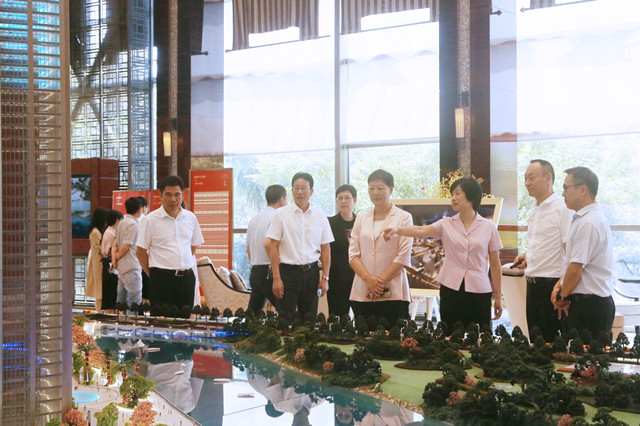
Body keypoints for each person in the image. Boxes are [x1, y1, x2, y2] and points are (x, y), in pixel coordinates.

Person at [384, 177, 503, 329]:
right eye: (452, 194)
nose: (453, 198)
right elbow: (421, 230)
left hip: (479, 288)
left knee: (481, 333)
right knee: (449, 332)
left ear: (471, 196)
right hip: (451, 287)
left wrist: (498, 296)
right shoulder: (446, 223)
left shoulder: (489, 227)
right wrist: (397, 230)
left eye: (458, 193)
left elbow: (495, 265)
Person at [551, 167, 615, 340]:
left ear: (582, 189)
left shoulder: (589, 222)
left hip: (591, 306)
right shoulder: (584, 219)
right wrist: (560, 285)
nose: (562, 193)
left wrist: (562, 296)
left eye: (566, 187)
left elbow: (576, 269)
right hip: (586, 303)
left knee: (589, 356)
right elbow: (572, 264)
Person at [512, 159, 572, 342]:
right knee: (535, 341)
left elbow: (570, 252)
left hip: (552, 285)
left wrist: (562, 288)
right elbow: (544, 243)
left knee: (552, 344)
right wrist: (527, 257)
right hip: (532, 284)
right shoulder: (535, 209)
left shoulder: (563, 208)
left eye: (531, 178)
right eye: (525, 178)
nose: (527, 183)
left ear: (548, 178)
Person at [348, 169, 413, 326]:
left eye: (380, 188)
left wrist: (379, 282)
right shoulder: (361, 219)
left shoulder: (404, 217)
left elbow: (403, 256)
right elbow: (353, 255)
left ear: (391, 189)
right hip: (363, 289)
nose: (375, 192)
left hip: (393, 291)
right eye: (371, 188)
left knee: (394, 335)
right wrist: (368, 280)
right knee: (363, 335)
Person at [266, 172, 333, 322]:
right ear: (291, 191)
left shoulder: (320, 216)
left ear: (311, 191)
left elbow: (326, 248)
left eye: (304, 188)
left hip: (311, 273)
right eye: (296, 188)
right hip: (287, 273)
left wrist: (325, 278)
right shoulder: (280, 214)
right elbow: (273, 247)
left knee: (309, 320)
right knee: (285, 320)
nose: (300, 192)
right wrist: (276, 278)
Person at [137, 176, 204, 315]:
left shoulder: (190, 218)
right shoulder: (150, 220)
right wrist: (153, 274)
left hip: (186, 279)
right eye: (168, 194)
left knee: (184, 322)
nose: (173, 199)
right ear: (160, 195)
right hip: (161, 280)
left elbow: (193, 247)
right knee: (161, 322)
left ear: (182, 195)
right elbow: (140, 251)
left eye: (177, 194)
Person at [246, 184, 287, 314]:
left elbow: (248, 248)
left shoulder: (254, 219)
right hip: (269, 272)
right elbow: (268, 244)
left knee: (253, 315)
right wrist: (276, 269)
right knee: (286, 312)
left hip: (255, 272)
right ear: (282, 199)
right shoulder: (276, 217)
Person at [328, 185, 358, 317]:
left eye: (347, 198)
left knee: (363, 319)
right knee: (337, 318)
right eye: (340, 198)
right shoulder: (329, 223)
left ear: (354, 200)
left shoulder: (362, 222)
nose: (343, 201)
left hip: (359, 278)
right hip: (337, 279)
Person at [113, 197, 143, 308]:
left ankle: (121, 319)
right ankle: (131, 320)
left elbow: (115, 244)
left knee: (121, 302)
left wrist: (115, 259)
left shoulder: (122, 222)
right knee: (134, 302)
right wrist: (118, 256)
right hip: (131, 266)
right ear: (139, 210)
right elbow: (126, 245)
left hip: (121, 267)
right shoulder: (133, 224)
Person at [86, 207, 109, 312]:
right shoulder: (95, 232)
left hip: (99, 262)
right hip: (98, 263)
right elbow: (99, 249)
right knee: (99, 291)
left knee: (101, 290)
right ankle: (99, 312)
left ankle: (100, 312)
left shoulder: (98, 231)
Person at [101, 209, 123, 312]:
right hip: (110, 264)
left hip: (109, 263)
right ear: (117, 220)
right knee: (110, 293)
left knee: (111, 293)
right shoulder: (110, 233)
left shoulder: (110, 231)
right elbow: (109, 250)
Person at [137, 195, 151, 303]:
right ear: (144, 207)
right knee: (146, 289)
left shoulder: (125, 220)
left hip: (134, 260)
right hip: (145, 259)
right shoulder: (145, 220)